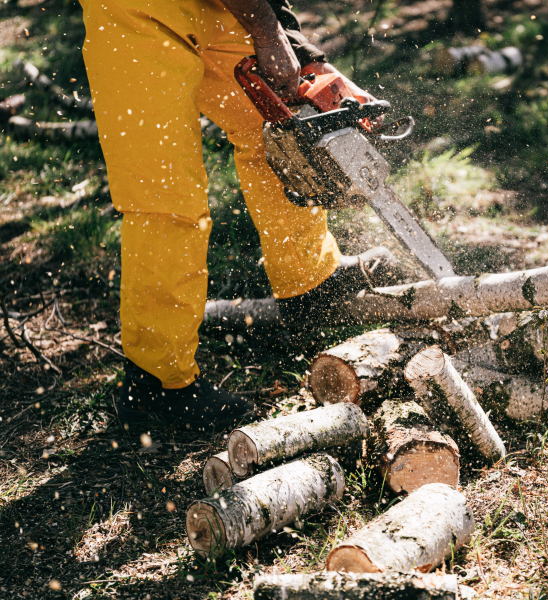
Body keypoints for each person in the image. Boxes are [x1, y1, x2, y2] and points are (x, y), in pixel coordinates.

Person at [79, 0, 394, 431]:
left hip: (222, 5)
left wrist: (300, 53)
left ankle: (308, 281)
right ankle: (158, 382)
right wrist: (268, 34)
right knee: (165, 195)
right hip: (133, 12)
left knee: (276, 119)